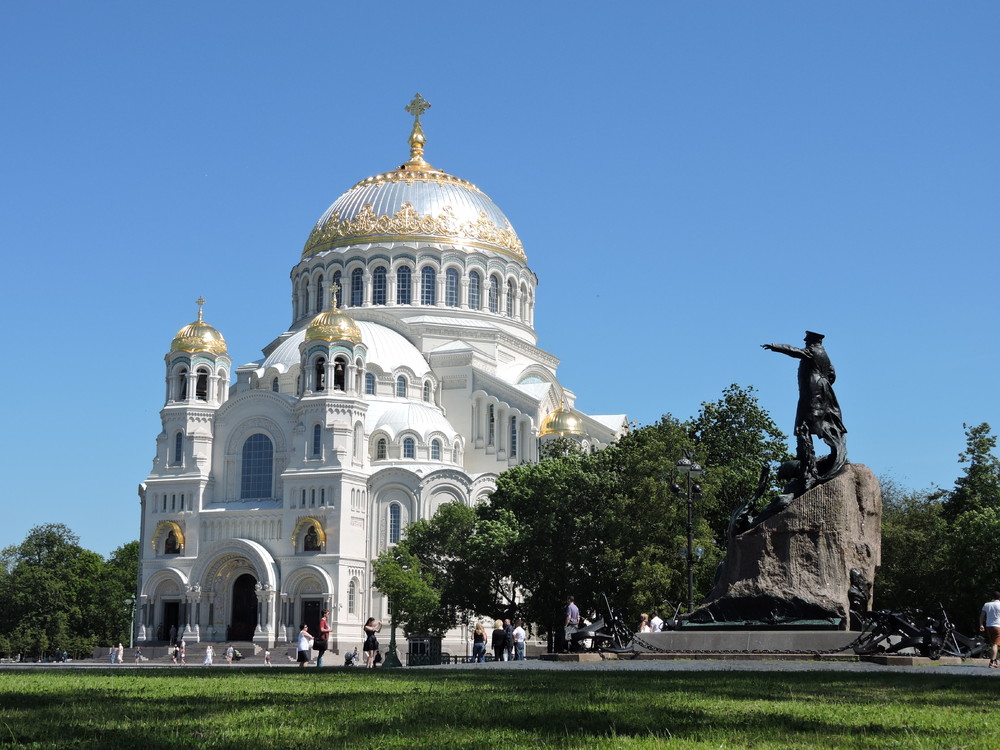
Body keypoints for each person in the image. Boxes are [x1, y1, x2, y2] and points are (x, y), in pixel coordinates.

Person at [980, 591, 1000, 668]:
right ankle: (992, 662)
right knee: (995, 644)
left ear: (992, 597)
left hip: (988, 626)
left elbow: (981, 616)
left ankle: (995, 660)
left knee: (993, 644)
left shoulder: (987, 604)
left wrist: (981, 625)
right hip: (998, 626)